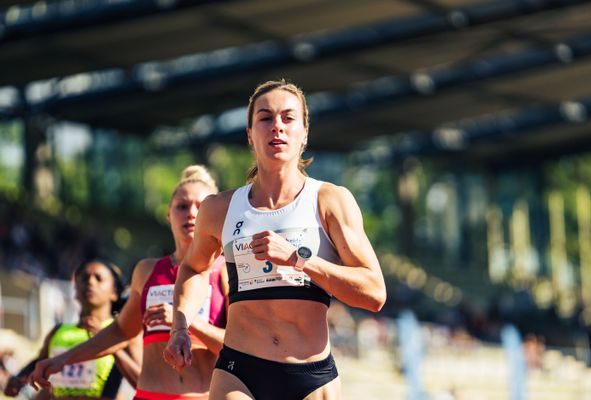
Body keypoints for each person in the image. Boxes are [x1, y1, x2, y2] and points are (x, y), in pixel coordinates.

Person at [164, 79, 386, 400]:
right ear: (250, 135)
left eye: (288, 118)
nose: (277, 127)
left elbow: (374, 293)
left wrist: (299, 260)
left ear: (305, 134)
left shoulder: (329, 201)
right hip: (239, 372)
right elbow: (193, 269)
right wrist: (180, 327)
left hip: (310, 375)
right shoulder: (219, 208)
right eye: (265, 118)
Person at [30, 165, 228, 400]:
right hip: (147, 395)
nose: (191, 214)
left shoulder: (226, 270)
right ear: (168, 214)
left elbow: (241, 348)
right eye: (182, 206)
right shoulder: (147, 270)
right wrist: (62, 359)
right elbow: (121, 331)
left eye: (201, 206)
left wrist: (183, 321)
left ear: (214, 215)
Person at [5, 258, 141, 399]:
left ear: (114, 292)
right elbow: (40, 365)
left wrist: (108, 344)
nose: (90, 282)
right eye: (84, 278)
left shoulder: (123, 333)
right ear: (75, 289)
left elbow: (142, 381)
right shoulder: (59, 331)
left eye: (99, 278)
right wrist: (19, 379)